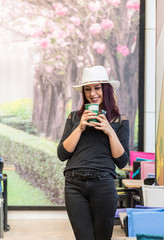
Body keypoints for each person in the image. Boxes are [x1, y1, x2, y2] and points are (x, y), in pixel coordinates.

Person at [57, 65, 130, 240]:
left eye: (97, 88)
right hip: (74, 186)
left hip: (103, 185)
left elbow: (122, 161)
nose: (92, 94)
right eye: (87, 89)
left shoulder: (120, 120)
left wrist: (109, 130)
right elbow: (62, 154)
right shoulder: (74, 117)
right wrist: (80, 127)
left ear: (106, 89)